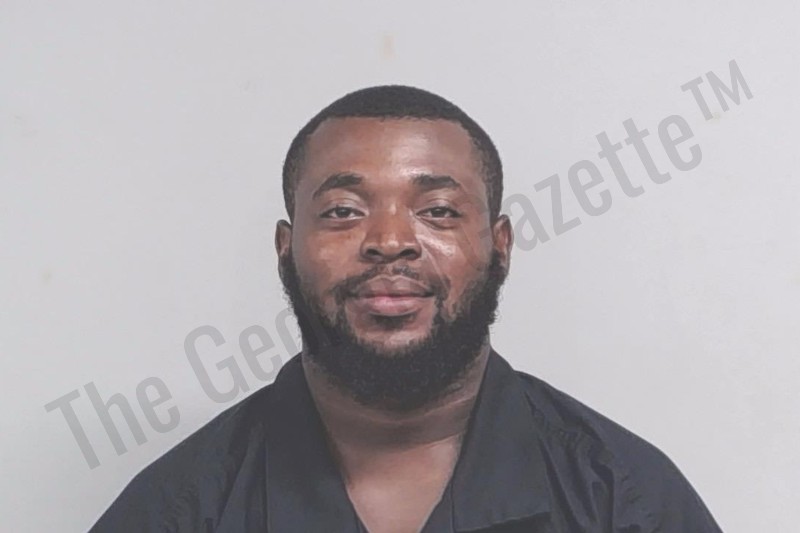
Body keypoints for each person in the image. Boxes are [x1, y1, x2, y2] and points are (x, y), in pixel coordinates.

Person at [91, 85, 723, 532]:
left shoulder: (623, 500)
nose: (390, 240)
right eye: (343, 211)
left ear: (499, 245)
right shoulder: (178, 509)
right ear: (286, 250)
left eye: (438, 211)